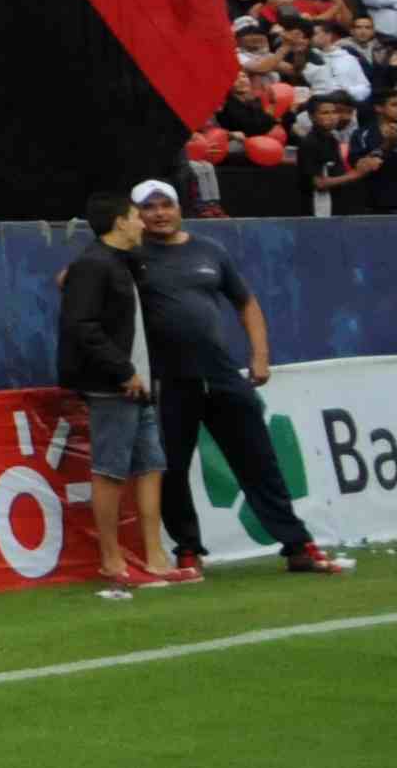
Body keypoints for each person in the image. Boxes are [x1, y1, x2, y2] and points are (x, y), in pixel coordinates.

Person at [135, 180, 351, 579]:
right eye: (149, 207)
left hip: (221, 373)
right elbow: (76, 279)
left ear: (180, 208)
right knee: (172, 469)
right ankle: (187, 551)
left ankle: (297, 546)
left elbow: (246, 303)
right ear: (137, 215)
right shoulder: (131, 256)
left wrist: (261, 356)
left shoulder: (209, 251)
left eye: (166, 205)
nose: (160, 213)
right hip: (168, 379)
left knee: (259, 461)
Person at [58, 189, 162, 598]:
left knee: (151, 464)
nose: (143, 222)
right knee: (111, 469)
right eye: (137, 215)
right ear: (120, 221)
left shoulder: (122, 261)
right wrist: (122, 371)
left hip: (141, 385)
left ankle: (156, 557)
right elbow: (81, 325)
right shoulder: (94, 265)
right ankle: (112, 559)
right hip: (113, 387)